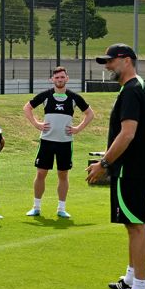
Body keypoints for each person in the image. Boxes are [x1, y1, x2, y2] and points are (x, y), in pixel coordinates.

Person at [87, 44, 145, 289]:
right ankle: (131, 279)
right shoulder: (134, 87)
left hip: (130, 170)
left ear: (126, 60)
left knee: (136, 226)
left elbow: (127, 133)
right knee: (132, 225)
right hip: (132, 169)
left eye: (110, 61)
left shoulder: (132, 91)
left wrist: (104, 163)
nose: (107, 66)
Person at [24, 67, 93, 219]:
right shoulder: (46, 96)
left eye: (62, 77)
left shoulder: (74, 98)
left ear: (67, 78)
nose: (60, 80)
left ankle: (61, 208)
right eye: (57, 78)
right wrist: (37, 124)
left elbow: (90, 114)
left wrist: (78, 128)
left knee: (63, 174)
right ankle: (36, 207)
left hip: (65, 143)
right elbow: (27, 108)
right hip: (47, 141)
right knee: (41, 173)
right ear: (52, 79)